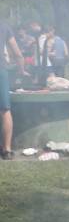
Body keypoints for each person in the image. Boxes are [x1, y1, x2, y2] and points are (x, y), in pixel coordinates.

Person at [1, 24, 25, 160]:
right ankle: (7, 150)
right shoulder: (4, 26)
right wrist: (21, 71)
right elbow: (17, 54)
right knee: (5, 110)